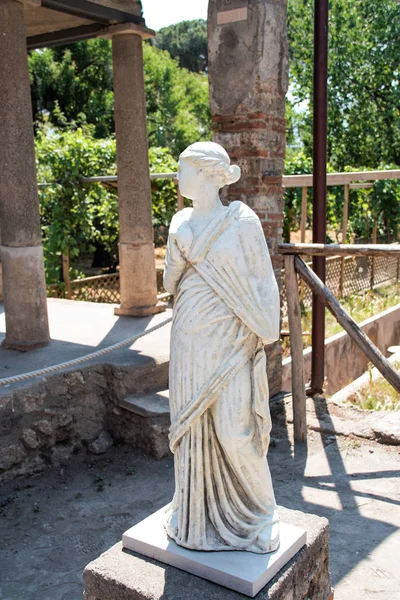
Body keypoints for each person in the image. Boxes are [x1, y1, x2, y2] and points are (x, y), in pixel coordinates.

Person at [163, 142, 280, 553]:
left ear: (209, 174)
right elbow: (169, 285)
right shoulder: (180, 221)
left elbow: (263, 280)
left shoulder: (241, 219)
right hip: (190, 339)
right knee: (194, 428)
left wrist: (267, 325)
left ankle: (262, 512)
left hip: (232, 340)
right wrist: (179, 247)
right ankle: (197, 517)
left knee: (235, 431)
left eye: (183, 171)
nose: (178, 178)